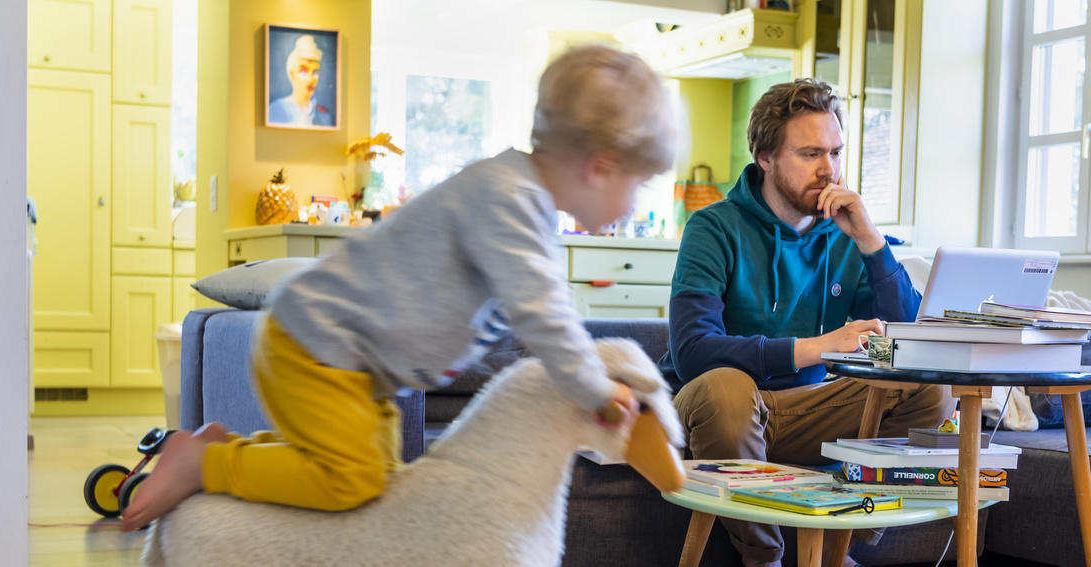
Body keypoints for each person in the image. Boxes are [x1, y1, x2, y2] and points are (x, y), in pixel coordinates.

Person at [121, 45, 676, 531]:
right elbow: (544, 314)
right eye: (640, 185)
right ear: (601, 167)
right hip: (317, 345)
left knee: (377, 478)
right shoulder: (511, 201)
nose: (634, 205)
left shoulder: (517, 197)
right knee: (350, 481)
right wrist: (596, 390)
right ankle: (201, 465)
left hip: (359, 370)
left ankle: (223, 448)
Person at [660, 78, 955, 567]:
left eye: (836, 152)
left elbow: (914, 340)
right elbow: (693, 352)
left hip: (805, 410)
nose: (830, 169)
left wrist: (870, 242)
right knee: (726, 387)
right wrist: (816, 348)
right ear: (766, 156)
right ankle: (763, 565)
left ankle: (837, 560)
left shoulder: (847, 233)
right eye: (810, 153)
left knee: (931, 386)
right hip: (717, 411)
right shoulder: (712, 228)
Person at [267, 34, 333, 127]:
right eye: (303, 72)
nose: (311, 79)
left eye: (315, 72)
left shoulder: (323, 116)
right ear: (292, 74)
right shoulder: (276, 109)